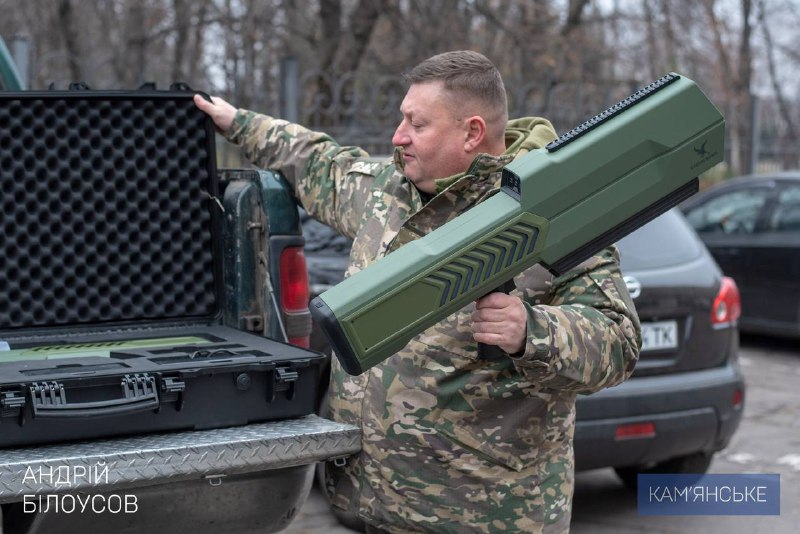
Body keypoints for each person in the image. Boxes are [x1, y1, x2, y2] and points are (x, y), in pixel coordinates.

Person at [195, 50, 641, 533]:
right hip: (371, 510)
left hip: (484, 518)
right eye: (401, 119)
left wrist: (531, 330)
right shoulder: (388, 191)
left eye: (416, 123)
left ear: (472, 133)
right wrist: (235, 121)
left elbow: (619, 341)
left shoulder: (553, 213)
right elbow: (316, 160)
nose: (398, 136)